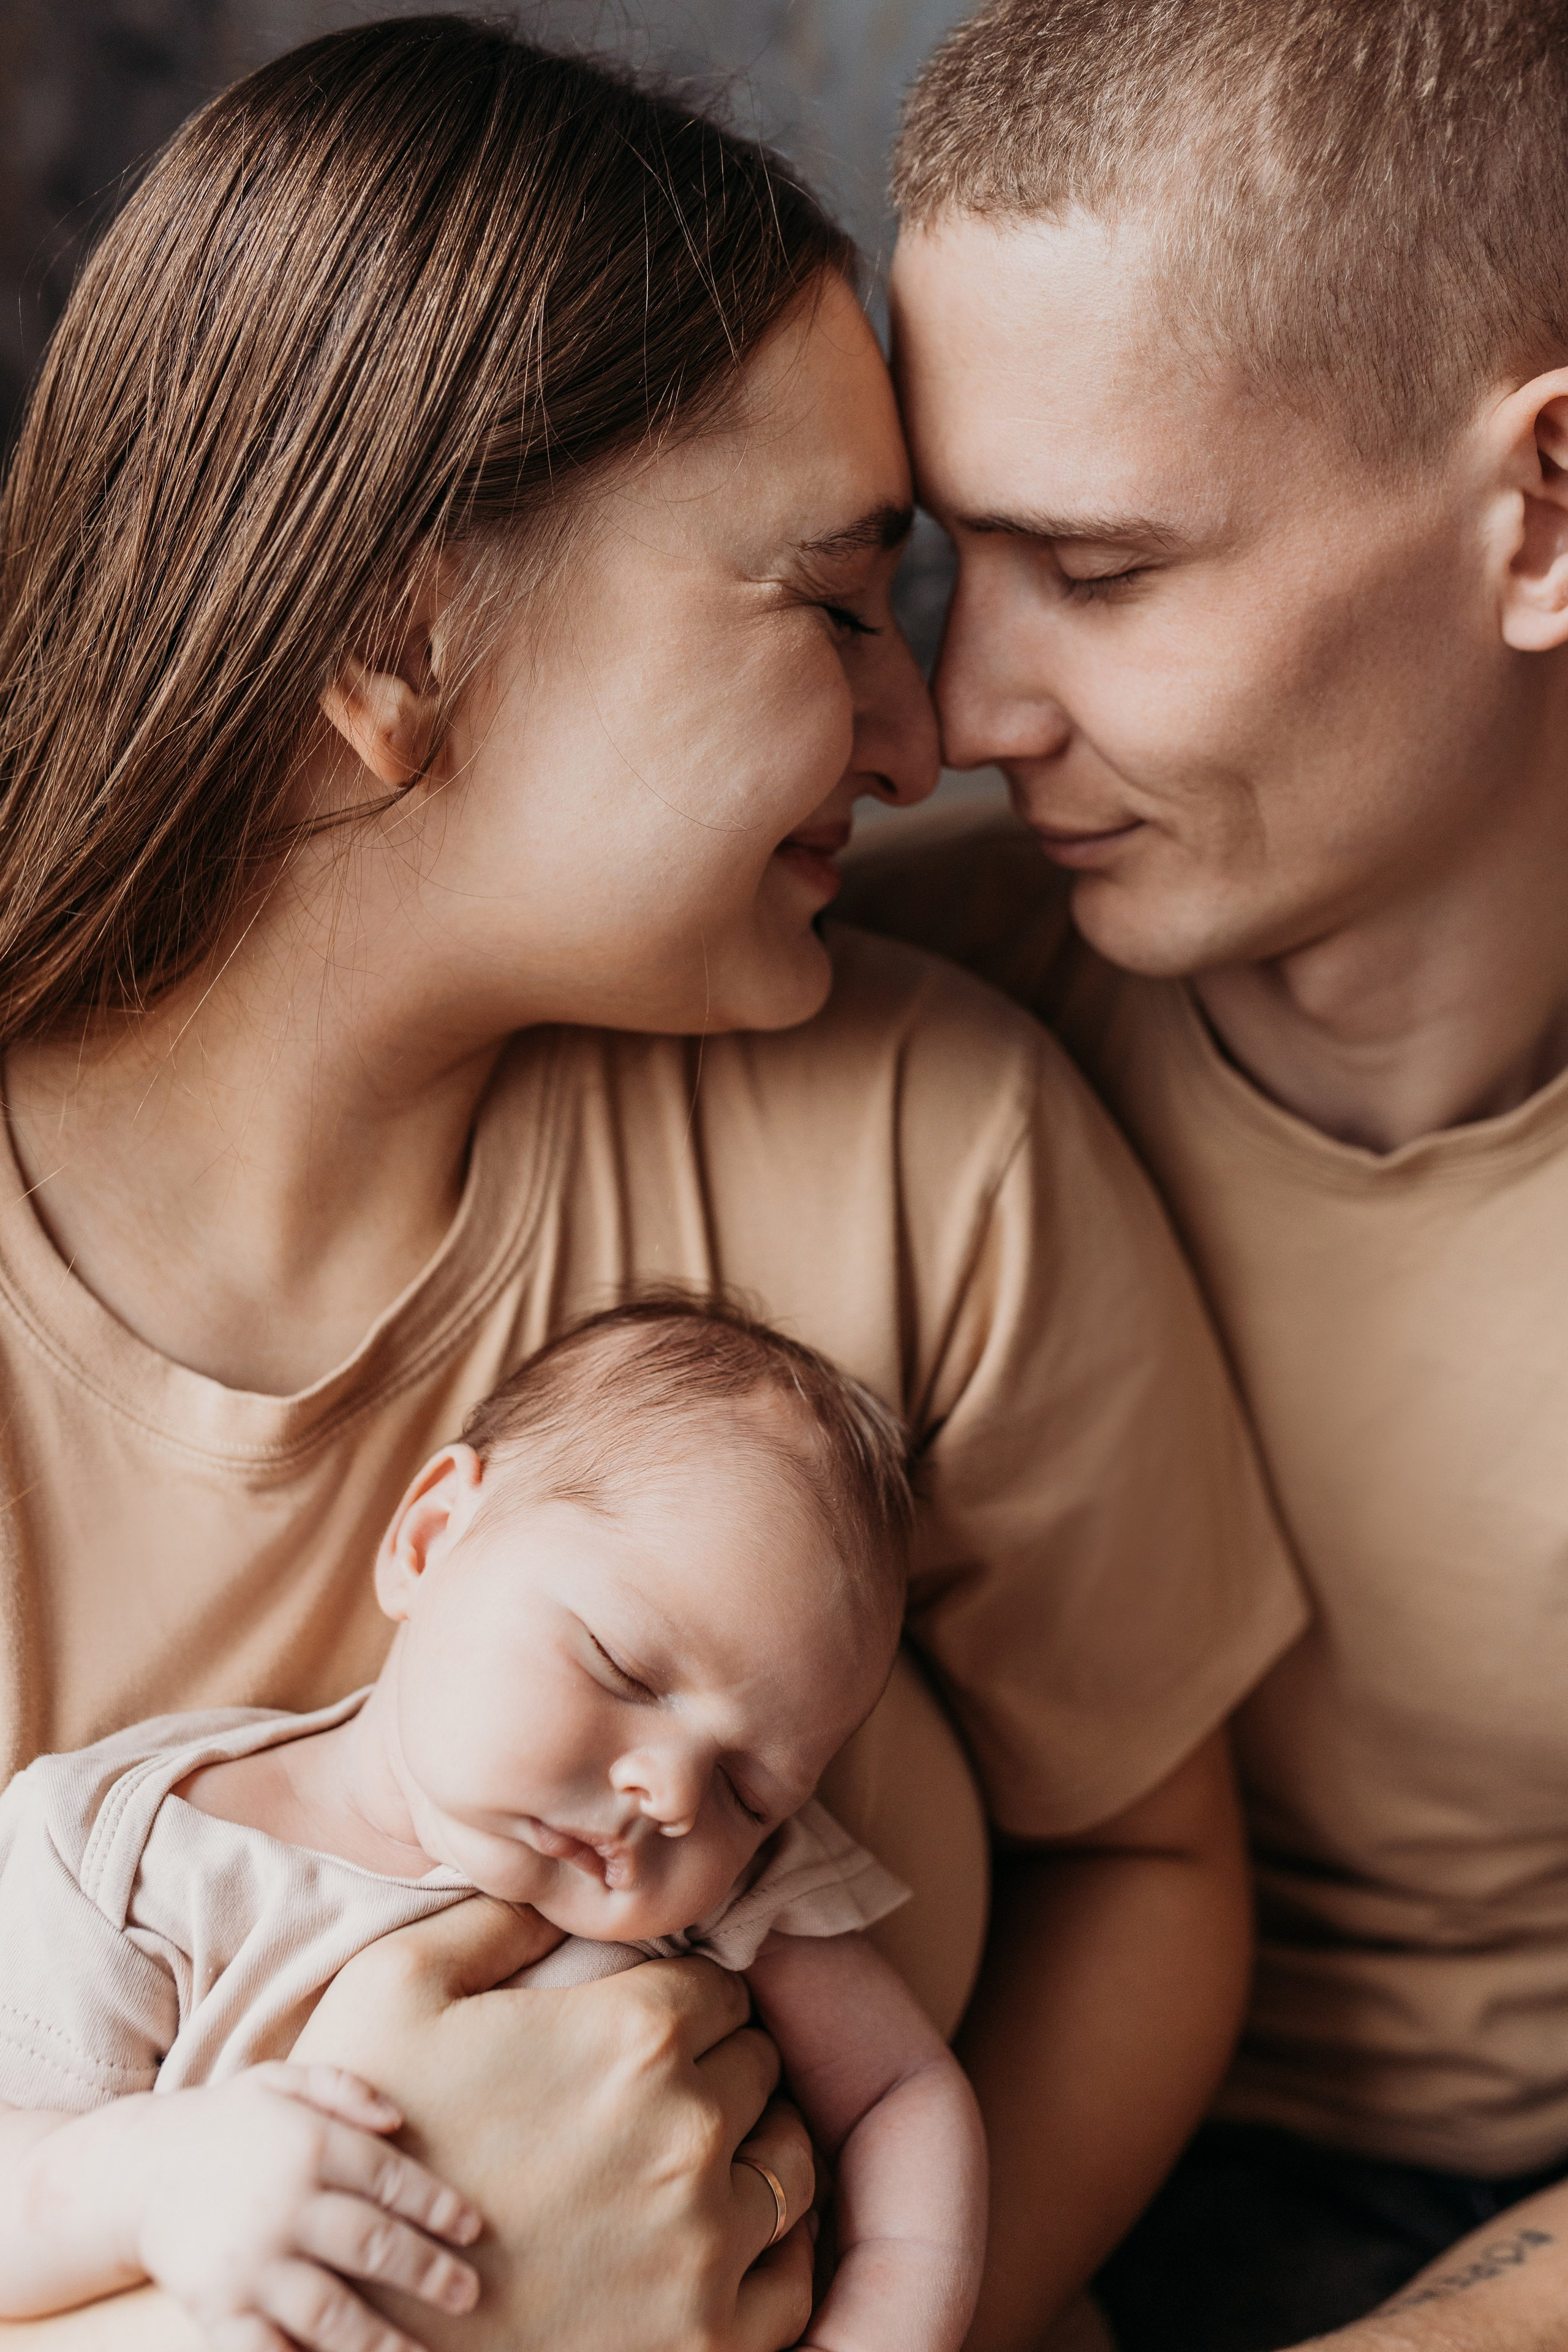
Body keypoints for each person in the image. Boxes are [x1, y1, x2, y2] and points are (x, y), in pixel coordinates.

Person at [0, 14, 1308, 2349]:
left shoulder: (929, 1138)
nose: (924, 744)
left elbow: (1146, 1862)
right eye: (829, 606)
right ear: (400, 639)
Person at [839, 0, 1568, 2345]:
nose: (964, 716)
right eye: (957, 560)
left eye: (1106, 573)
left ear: (1543, 513)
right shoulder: (866, 1006)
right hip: (926, 2154)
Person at [0, 1301, 986, 2352]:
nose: (673, 1795)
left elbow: (902, 2094)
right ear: (430, 1540)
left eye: (752, 1788)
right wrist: (156, 2177)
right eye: (625, 1667)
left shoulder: (736, 1887)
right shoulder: (140, 1856)